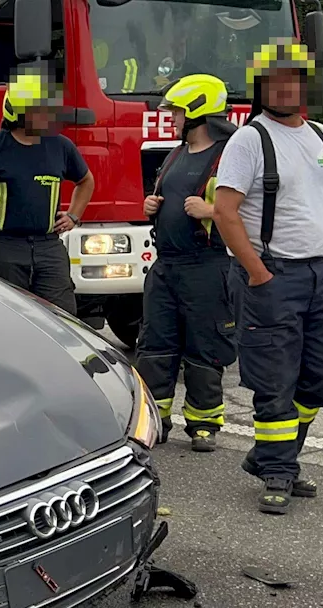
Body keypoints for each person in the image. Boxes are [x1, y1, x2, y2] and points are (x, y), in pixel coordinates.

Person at [212, 41, 323, 515]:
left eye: (293, 78)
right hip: (273, 276)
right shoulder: (249, 140)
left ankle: (279, 454)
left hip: (322, 275)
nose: (285, 87)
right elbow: (224, 213)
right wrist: (258, 273)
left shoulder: (321, 135)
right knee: (275, 379)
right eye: (275, 80)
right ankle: (277, 469)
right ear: (262, 87)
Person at [137, 75, 238, 453]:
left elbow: (252, 205)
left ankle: (204, 423)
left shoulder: (229, 155)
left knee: (205, 344)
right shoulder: (175, 154)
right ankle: (156, 419)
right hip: (167, 267)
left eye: (177, 112)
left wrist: (211, 209)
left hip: (206, 266)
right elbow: (164, 197)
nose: (173, 119)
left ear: (197, 111)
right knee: (156, 344)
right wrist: (151, 207)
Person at [0, 67, 95, 314]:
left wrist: (74, 216)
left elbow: (86, 181)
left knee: (64, 322)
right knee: (9, 321)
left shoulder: (61, 146)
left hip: (49, 249)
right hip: (6, 249)